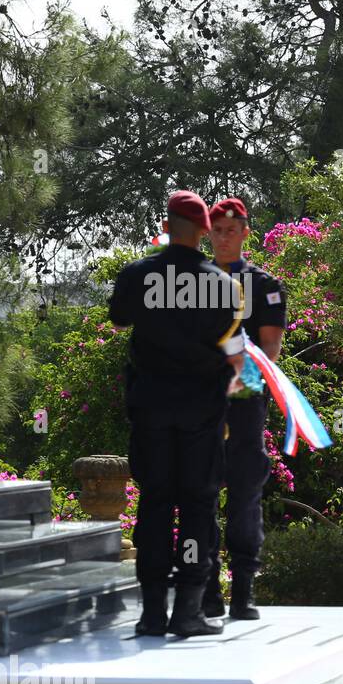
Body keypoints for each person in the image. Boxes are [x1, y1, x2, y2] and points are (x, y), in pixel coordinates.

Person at [108, 191, 244, 638]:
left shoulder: (137, 275)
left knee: (154, 505)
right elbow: (231, 347)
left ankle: (151, 613)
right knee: (196, 508)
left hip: (150, 410)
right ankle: (188, 609)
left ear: (166, 225)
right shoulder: (225, 285)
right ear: (205, 228)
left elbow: (119, 319)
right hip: (201, 415)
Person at [201, 197, 287, 620]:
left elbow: (270, 346)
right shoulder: (190, 282)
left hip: (246, 398)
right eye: (216, 229)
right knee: (200, 490)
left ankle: (244, 588)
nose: (223, 236)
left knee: (244, 491)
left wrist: (239, 371)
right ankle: (206, 587)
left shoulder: (263, 285)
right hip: (198, 401)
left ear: (245, 234)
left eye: (231, 230)